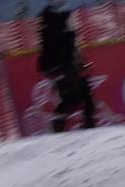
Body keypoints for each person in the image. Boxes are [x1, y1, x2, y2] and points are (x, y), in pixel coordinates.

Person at [37, 2, 96, 133]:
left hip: (56, 68)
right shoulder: (60, 30)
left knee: (71, 97)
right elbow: (70, 50)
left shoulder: (48, 28)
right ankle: (87, 121)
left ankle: (61, 123)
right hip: (64, 66)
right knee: (82, 93)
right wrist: (80, 63)